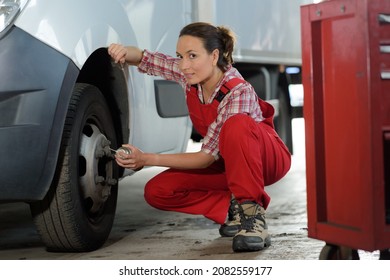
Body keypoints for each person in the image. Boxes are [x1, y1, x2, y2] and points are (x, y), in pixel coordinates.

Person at [108, 22, 291, 252]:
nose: (184, 65)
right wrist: (123, 51)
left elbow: (205, 158)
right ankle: (231, 210)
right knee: (158, 190)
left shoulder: (237, 91)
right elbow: (147, 59)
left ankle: (253, 218)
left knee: (236, 125)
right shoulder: (191, 73)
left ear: (214, 56)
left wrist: (146, 159)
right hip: (227, 161)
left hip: (267, 160)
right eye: (180, 56)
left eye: (192, 56)